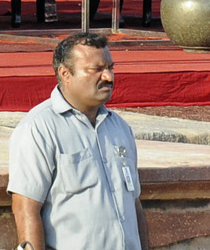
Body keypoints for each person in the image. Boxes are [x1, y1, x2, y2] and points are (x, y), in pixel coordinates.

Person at [9, 31, 146, 250]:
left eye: (110, 68)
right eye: (97, 70)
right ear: (65, 73)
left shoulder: (120, 128)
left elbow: (135, 205)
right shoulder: (39, 128)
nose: (108, 77)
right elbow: (26, 207)